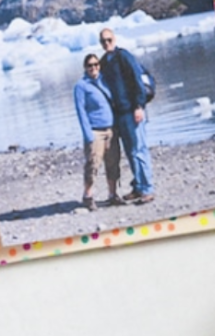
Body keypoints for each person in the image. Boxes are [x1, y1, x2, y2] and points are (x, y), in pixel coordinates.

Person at [99, 28, 155, 204]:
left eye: (109, 40)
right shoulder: (104, 62)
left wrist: (139, 106)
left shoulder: (123, 56)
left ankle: (147, 189)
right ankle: (138, 186)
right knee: (131, 152)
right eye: (103, 41)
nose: (106, 43)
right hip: (119, 114)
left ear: (114, 39)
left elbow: (136, 80)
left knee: (139, 150)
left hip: (132, 110)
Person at [73, 53, 125, 210]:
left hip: (110, 130)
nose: (93, 68)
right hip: (95, 132)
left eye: (96, 64)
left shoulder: (103, 81)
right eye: (90, 65)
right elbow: (80, 111)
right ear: (85, 67)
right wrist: (88, 134)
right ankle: (88, 196)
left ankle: (112, 194)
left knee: (113, 162)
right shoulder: (81, 86)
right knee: (93, 164)